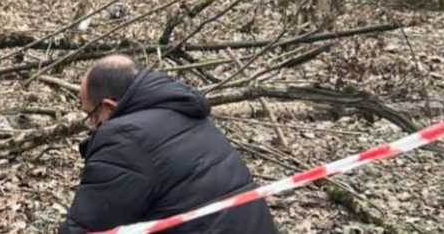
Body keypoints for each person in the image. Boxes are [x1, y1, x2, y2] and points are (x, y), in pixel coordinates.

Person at [59, 55, 279, 234]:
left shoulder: (124, 138)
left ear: (108, 107)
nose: (91, 124)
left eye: (90, 114)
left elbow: (87, 227)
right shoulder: (187, 115)